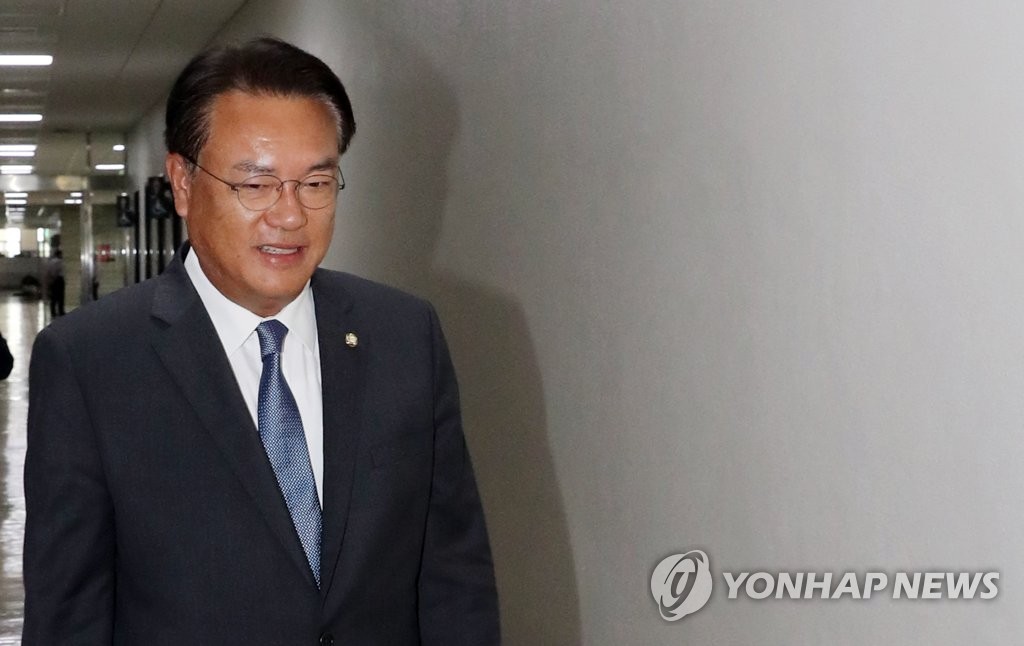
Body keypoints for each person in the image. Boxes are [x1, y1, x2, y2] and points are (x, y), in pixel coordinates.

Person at [23, 37, 499, 644]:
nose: (290, 215)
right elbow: (68, 617)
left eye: (316, 182)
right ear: (182, 183)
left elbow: (456, 579)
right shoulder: (91, 362)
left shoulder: (404, 336)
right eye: (255, 184)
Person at [44, 249, 65, 317]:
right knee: (60, 297)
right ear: (59, 254)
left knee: (53, 297)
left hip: (53, 280)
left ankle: (53, 312)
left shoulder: (51, 262)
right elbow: (57, 270)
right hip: (58, 279)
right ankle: (61, 311)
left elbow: (48, 271)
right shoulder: (59, 261)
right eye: (61, 254)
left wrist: (51, 279)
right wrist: (55, 277)